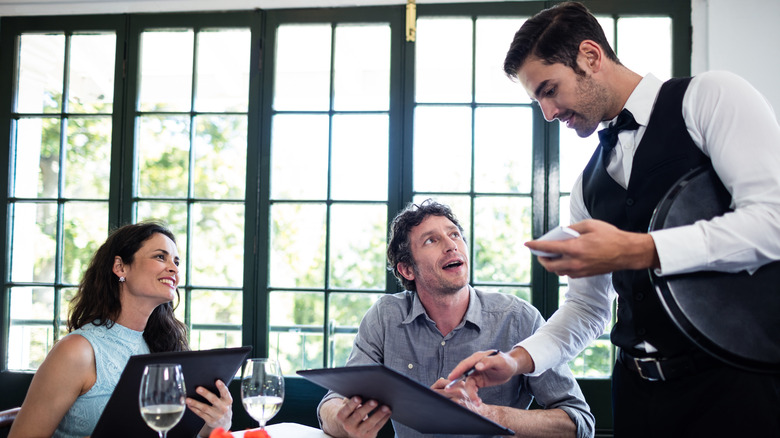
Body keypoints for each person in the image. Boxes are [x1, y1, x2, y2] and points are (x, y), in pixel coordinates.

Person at [447, 2, 780, 437]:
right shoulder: (587, 186)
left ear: (590, 56)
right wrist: (516, 360)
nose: (548, 113)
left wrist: (638, 249)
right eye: (538, 100)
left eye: (550, 90)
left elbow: (772, 223)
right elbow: (588, 308)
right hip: (637, 398)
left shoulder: (711, 96)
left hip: (736, 387)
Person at [317, 199, 594, 438]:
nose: (451, 245)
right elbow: (330, 405)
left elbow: (579, 422)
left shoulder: (518, 318)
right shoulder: (384, 317)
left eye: (455, 234)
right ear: (407, 270)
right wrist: (346, 424)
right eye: (431, 240)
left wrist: (488, 414)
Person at [9, 222, 233, 438]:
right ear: (120, 267)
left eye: (176, 261)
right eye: (160, 256)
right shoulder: (77, 351)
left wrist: (212, 426)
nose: (174, 268)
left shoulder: (165, 347)